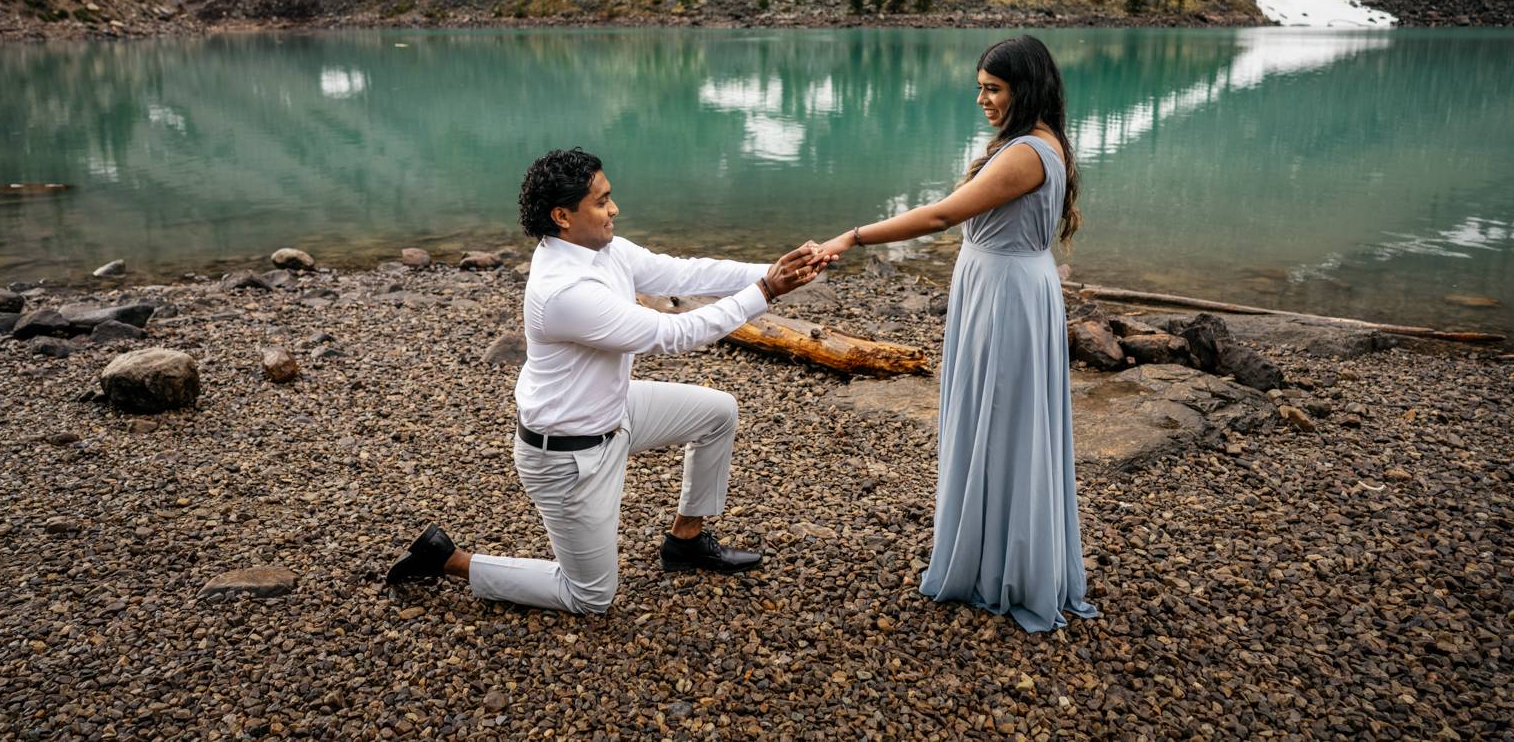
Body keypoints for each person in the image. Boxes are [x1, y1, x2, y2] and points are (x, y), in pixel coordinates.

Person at [386, 148, 832, 614]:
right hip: (568, 454)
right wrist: (765, 292)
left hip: (615, 411)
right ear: (562, 215)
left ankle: (686, 542)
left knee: (717, 412)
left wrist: (769, 270)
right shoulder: (566, 292)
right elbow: (671, 334)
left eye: (609, 197)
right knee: (590, 596)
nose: (613, 209)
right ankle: (448, 559)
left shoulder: (599, 248)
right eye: (601, 202)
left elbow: (680, 271)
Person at [818, 35, 1097, 632]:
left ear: (1027, 88)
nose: (982, 99)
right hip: (1006, 288)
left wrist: (855, 236)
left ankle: (1001, 566)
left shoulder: (1026, 152)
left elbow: (944, 214)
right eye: (979, 87)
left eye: (993, 88)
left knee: (1001, 417)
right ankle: (991, 552)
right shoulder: (1039, 141)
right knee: (999, 418)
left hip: (1007, 298)